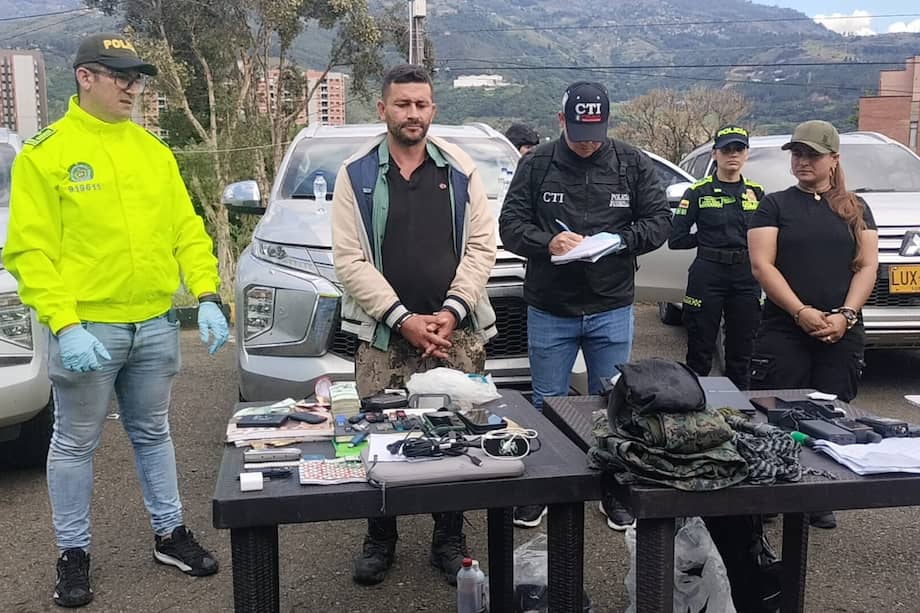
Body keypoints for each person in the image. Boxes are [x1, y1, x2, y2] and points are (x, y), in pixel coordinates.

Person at [2, 33, 228, 608]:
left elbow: (186, 229)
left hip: (153, 323)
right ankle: (72, 553)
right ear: (85, 77)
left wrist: (206, 293)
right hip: (88, 329)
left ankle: (169, 534)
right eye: (120, 75)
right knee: (75, 441)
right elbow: (29, 252)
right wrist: (64, 323)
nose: (132, 87)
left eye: (137, 77)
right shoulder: (45, 154)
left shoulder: (152, 151)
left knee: (153, 431)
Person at [331, 64, 497, 587]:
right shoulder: (355, 174)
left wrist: (450, 312)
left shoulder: (460, 169)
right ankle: (381, 536)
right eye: (402, 104)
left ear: (433, 109)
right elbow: (349, 259)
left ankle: (449, 537)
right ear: (382, 110)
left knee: (458, 434)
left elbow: (481, 247)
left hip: (455, 334)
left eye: (421, 104)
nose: (413, 114)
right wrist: (402, 319)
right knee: (379, 438)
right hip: (385, 334)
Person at [499, 81, 672, 530]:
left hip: (611, 304)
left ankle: (610, 488)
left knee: (612, 400)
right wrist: (547, 241)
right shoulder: (536, 163)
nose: (587, 140)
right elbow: (510, 225)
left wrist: (619, 241)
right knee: (545, 402)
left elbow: (659, 223)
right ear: (560, 121)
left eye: (596, 131)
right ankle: (541, 486)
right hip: (550, 305)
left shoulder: (631, 163)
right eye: (578, 131)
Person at [748, 120, 879, 530]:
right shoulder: (774, 205)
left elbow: (867, 266)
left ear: (834, 160)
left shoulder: (856, 208)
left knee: (832, 411)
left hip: (841, 330)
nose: (803, 161)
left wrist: (846, 315)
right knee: (779, 411)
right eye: (797, 154)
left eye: (812, 155)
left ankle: (820, 493)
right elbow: (762, 264)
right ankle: (774, 490)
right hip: (786, 327)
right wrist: (800, 311)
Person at [669, 125, 765, 389]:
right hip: (708, 274)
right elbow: (676, 239)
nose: (732, 155)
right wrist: (706, 240)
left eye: (738, 149)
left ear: (746, 154)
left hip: (745, 277)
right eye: (726, 150)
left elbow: (767, 238)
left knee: (742, 350)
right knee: (700, 348)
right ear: (715, 154)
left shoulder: (757, 192)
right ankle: (696, 409)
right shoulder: (698, 192)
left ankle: (741, 411)